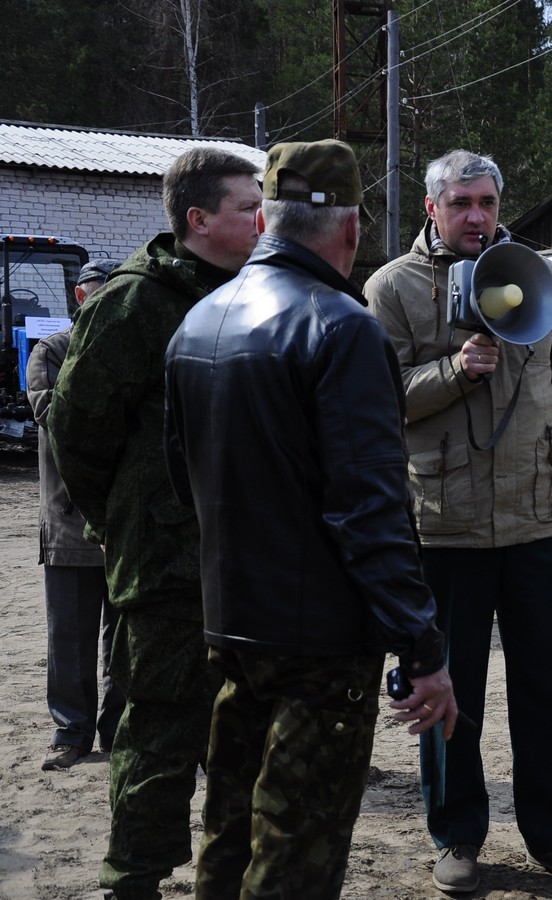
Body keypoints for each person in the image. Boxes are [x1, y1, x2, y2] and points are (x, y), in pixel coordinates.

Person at [163, 139, 458, 900]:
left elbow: (180, 477)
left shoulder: (198, 321)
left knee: (228, 831)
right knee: (297, 851)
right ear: (352, 231)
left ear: (265, 219)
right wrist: (421, 648)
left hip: (230, 624)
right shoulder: (342, 327)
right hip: (320, 646)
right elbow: (370, 506)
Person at [364, 149, 552, 894]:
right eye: (462, 203)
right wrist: (453, 371)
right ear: (431, 207)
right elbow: (378, 400)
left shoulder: (534, 275)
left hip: (539, 517)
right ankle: (457, 835)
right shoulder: (392, 289)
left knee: (544, 688)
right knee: (450, 689)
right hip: (443, 526)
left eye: (487, 201)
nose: (477, 216)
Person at [46, 146, 261, 900]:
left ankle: (229, 875)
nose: (262, 219)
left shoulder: (252, 292)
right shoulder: (136, 303)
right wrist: (129, 519)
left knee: (245, 730)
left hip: (249, 561)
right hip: (169, 565)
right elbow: (77, 429)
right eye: (246, 207)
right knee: (162, 729)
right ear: (199, 219)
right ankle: (132, 879)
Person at [27, 258, 125, 771]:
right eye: (98, 295)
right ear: (81, 297)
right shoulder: (53, 350)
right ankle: (70, 732)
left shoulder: (132, 351)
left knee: (122, 638)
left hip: (125, 522)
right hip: (69, 522)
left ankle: (115, 731)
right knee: (70, 634)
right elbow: (50, 412)